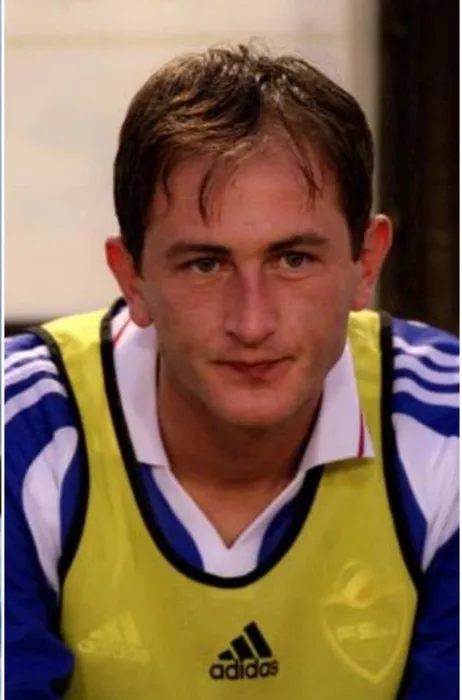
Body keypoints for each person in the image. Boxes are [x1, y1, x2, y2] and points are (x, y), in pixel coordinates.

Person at [5, 44, 458, 700]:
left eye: (293, 259)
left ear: (366, 263)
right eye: (206, 264)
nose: (251, 322)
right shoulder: (20, 431)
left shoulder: (447, 426)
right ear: (132, 277)